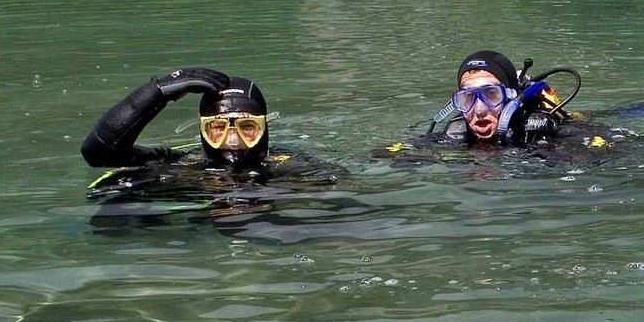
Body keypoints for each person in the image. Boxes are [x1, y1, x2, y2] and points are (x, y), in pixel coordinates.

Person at [81, 67, 338, 208]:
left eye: (248, 127)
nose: (233, 141)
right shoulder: (181, 164)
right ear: (202, 130)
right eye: (218, 128)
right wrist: (158, 91)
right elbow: (99, 153)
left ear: (265, 129)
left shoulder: (292, 166)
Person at [382, 50, 614, 161]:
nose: (479, 110)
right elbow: (395, 152)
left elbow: (605, 146)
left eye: (491, 95)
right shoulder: (456, 134)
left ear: (513, 97)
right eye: (467, 99)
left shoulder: (543, 130)